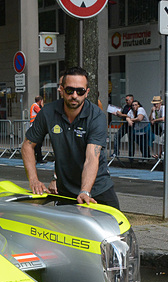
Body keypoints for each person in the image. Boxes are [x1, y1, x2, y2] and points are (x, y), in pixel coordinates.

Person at [21, 66, 119, 209]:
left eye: (80, 91)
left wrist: (85, 191)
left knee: (117, 224)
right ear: (61, 89)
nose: (74, 95)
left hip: (98, 189)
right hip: (65, 191)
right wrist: (34, 180)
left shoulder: (96, 116)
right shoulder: (48, 112)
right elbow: (27, 145)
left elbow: (91, 157)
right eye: (69, 90)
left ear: (87, 92)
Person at [29, 96, 44, 162]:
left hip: (35, 126)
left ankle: (37, 158)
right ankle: (38, 158)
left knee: (37, 144)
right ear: (40, 101)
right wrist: (42, 106)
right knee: (37, 144)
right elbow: (42, 113)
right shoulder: (35, 106)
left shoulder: (34, 105)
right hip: (35, 127)